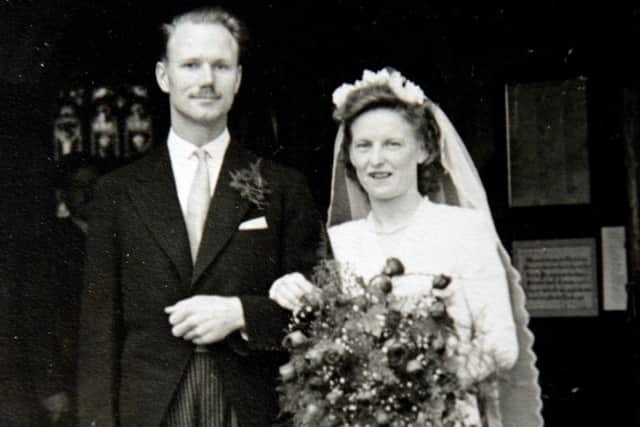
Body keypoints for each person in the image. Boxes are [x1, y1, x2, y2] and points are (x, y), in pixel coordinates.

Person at [76, 7, 321, 427]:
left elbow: (316, 307)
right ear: (163, 76)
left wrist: (242, 314)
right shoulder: (117, 192)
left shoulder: (282, 186)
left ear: (238, 80)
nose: (206, 80)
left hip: (251, 404)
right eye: (191, 65)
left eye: (221, 66)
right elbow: (99, 331)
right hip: (149, 408)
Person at [269, 68, 543, 427]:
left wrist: (418, 391)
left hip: (444, 416)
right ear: (349, 156)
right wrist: (285, 289)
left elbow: (501, 346)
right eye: (364, 146)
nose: (376, 159)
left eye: (393, 144)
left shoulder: (464, 229)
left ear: (424, 150)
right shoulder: (337, 240)